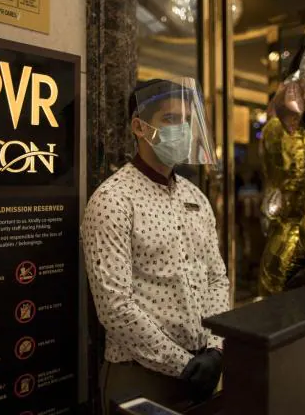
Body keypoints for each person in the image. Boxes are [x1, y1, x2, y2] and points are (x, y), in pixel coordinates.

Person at [81, 78, 230, 413]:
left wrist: (217, 350)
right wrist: (182, 364)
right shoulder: (113, 200)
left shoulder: (196, 197)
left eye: (187, 120)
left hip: (203, 370)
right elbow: (115, 307)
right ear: (139, 127)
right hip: (142, 376)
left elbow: (216, 278)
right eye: (170, 119)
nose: (183, 129)